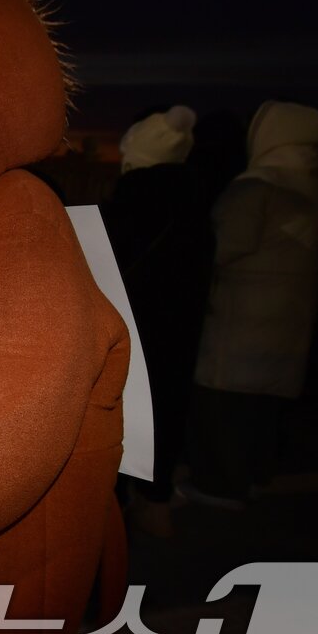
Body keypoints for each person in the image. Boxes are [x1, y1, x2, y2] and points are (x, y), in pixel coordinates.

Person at [185, 99, 318, 508]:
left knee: (224, 407)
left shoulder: (256, 188)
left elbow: (220, 250)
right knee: (264, 409)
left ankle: (220, 486)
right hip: (290, 323)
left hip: (238, 321)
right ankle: (253, 476)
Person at [100, 105, 214, 537]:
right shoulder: (199, 206)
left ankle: (115, 511)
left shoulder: (128, 207)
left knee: (120, 417)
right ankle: (155, 501)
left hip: (129, 329)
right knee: (166, 412)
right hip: (180, 332)